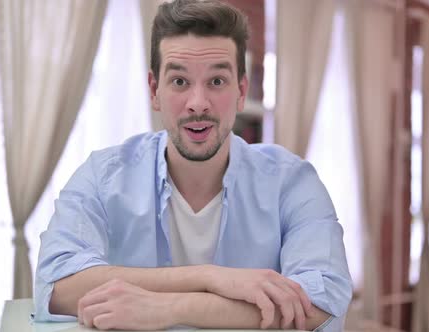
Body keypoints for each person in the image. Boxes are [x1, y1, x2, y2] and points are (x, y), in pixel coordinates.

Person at [33, 0, 352, 330]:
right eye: (180, 82)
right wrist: (211, 278)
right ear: (155, 90)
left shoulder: (292, 181)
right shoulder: (103, 175)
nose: (198, 104)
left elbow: (321, 299)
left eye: (216, 81)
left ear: (241, 91)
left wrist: (171, 307)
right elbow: (56, 286)